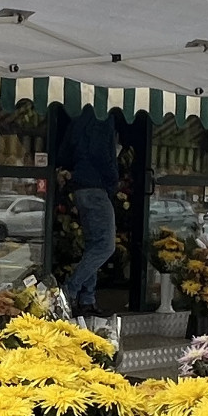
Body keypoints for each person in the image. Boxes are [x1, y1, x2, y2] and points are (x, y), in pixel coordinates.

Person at [57, 105, 119, 316]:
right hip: (96, 187)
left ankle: (87, 299)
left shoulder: (78, 116)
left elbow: (64, 151)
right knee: (106, 245)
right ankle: (69, 290)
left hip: (80, 188)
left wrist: (72, 173)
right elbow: (102, 153)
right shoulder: (103, 116)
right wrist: (113, 179)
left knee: (93, 246)